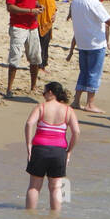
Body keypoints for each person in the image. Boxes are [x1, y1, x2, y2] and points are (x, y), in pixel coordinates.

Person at [24, 82, 80, 211]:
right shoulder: (68, 110)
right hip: (59, 151)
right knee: (56, 187)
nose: (43, 95)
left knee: (34, 186)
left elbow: (29, 124)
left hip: (40, 149)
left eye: (44, 92)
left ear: (50, 92)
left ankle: (30, 217)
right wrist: (69, 151)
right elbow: (76, 132)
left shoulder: (41, 107)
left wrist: (28, 145)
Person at [67, 0, 110, 112]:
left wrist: (71, 50)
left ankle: (76, 100)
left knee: (84, 72)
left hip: (82, 42)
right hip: (95, 43)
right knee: (93, 73)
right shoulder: (93, 2)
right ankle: (90, 104)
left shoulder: (76, 1)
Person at [5, 0, 43, 97]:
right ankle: (9, 88)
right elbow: (10, 7)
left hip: (32, 26)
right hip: (18, 27)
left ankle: (33, 86)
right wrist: (30, 10)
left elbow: (32, 0)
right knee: (15, 57)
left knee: (35, 57)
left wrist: (37, 6)